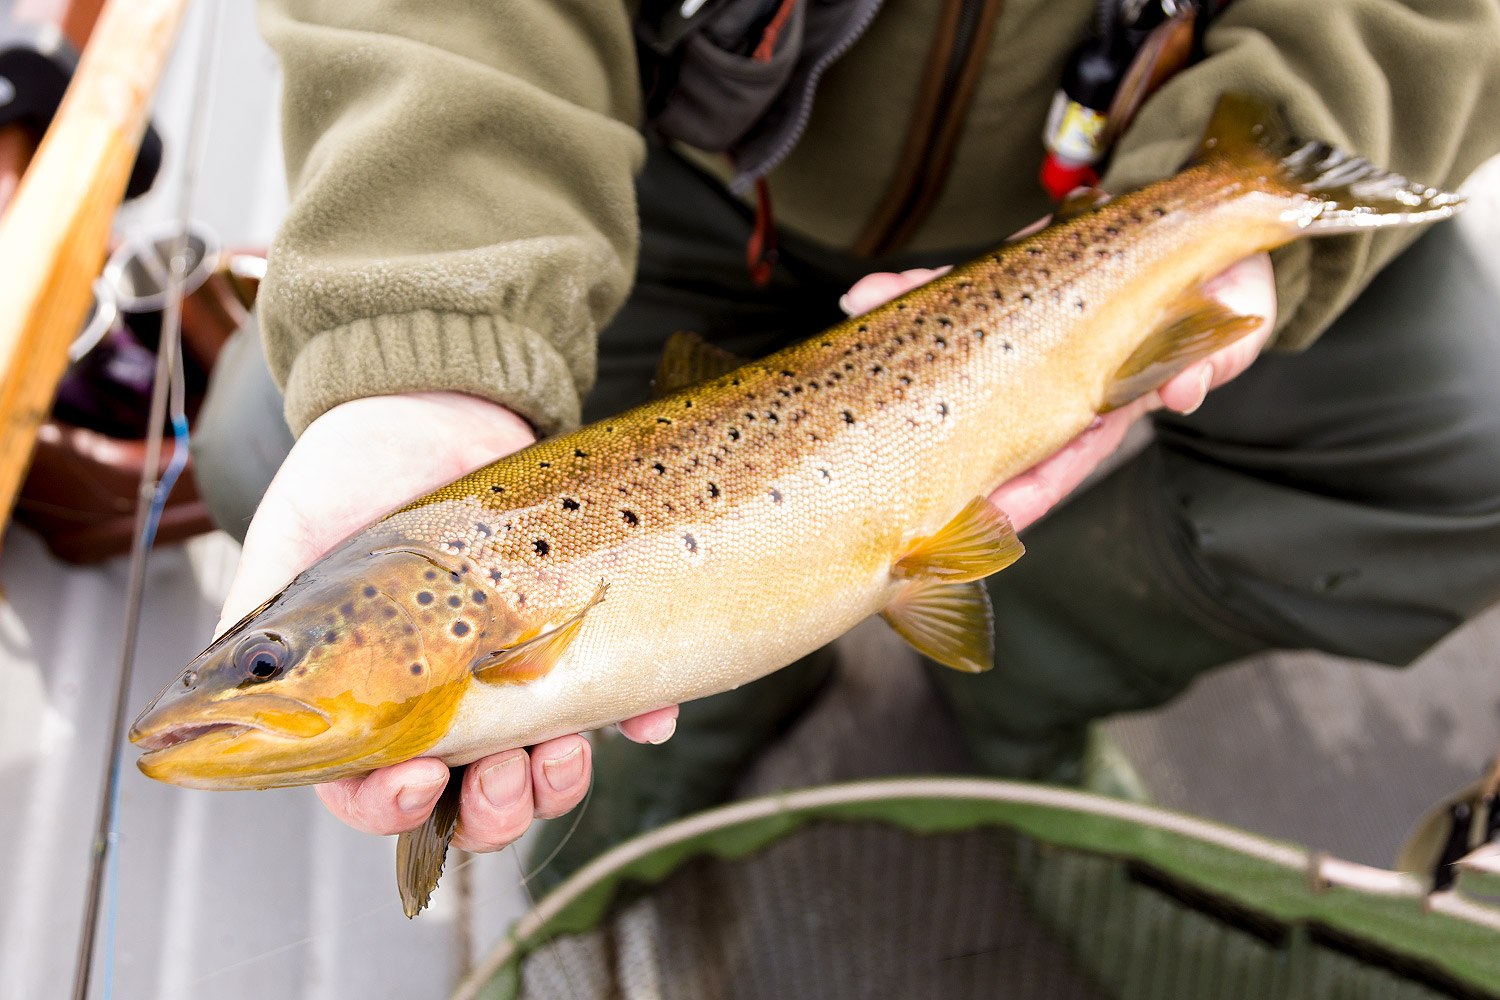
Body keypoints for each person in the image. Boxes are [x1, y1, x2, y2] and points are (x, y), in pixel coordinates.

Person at [212, 0, 1500, 878]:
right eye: (265, 663)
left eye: (265, 665)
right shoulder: (439, 599)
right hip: (650, 165)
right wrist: (419, 353)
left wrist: (1288, 123)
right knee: (266, 436)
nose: (238, 690)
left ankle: (1021, 712)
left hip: (1106, 182)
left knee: (1473, 458)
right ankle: (691, 756)